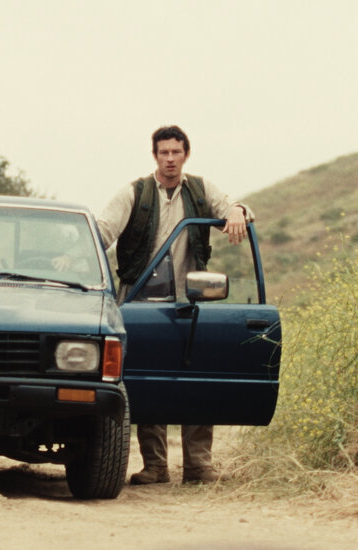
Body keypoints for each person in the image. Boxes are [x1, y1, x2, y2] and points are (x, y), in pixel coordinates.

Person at [95, 125, 255, 485]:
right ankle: (155, 466)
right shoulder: (134, 192)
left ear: (186, 155)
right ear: (155, 156)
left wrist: (237, 210)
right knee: (146, 382)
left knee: (197, 380)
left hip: (190, 303)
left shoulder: (200, 189)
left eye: (176, 152)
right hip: (141, 303)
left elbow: (234, 208)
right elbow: (103, 232)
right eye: (164, 152)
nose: (170, 159)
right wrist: (72, 257)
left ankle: (199, 466)